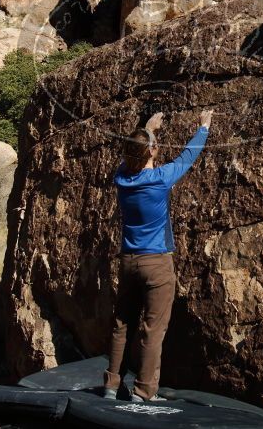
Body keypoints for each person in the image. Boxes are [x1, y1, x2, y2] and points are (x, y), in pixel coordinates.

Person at [103, 109, 214, 402]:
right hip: (156, 263)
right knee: (153, 330)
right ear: (152, 151)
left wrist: (147, 129)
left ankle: (111, 386)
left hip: (128, 261)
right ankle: (144, 392)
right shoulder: (161, 179)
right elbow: (188, 157)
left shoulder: (121, 178)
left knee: (122, 324)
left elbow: (134, 152)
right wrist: (203, 127)